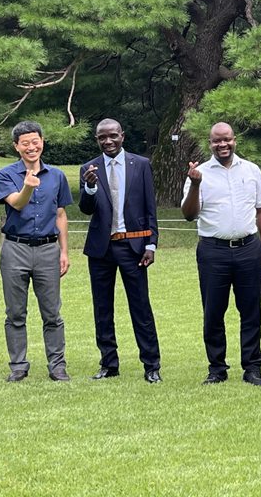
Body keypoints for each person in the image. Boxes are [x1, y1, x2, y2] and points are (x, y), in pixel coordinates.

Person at [182, 122, 261, 386]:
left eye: (227, 140)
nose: (222, 145)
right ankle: (217, 368)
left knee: (251, 311)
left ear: (235, 140)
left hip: (248, 249)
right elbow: (189, 215)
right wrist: (195, 184)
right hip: (213, 251)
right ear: (209, 143)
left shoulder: (251, 170)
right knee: (213, 312)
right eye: (216, 141)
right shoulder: (199, 173)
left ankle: (252, 368)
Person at [79, 119, 162, 383]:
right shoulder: (88, 168)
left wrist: (151, 244)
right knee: (103, 308)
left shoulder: (141, 165)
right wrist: (90, 187)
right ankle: (109, 363)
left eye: (113, 136)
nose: (108, 141)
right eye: (102, 137)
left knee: (141, 307)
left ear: (122, 136)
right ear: (97, 140)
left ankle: (151, 365)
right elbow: (86, 209)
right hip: (101, 249)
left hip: (134, 246)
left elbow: (150, 208)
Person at [0, 121, 73, 382]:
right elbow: (16, 204)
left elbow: (61, 214)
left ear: (42, 141)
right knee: (15, 312)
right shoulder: (5, 175)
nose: (31, 147)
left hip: (48, 250)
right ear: (16, 147)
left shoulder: (57, 176)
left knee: (52, 312)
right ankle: (18, 365)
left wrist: (64, 251)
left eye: (35, 141)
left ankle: (57, 365)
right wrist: (28, 185)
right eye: (25, 143)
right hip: (15, 248)